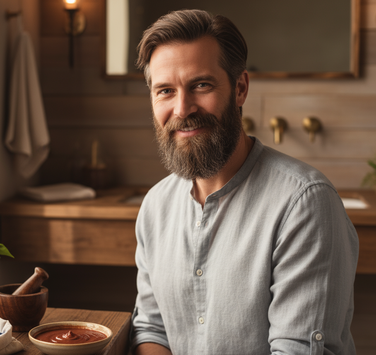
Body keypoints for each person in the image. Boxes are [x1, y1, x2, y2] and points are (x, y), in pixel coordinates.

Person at [131, 9, 358, 355]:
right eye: (165, 91)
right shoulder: (155, 206)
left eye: (201, 85)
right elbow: (152, 328)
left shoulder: (304, 204)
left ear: (240, 88)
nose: (182, 109)